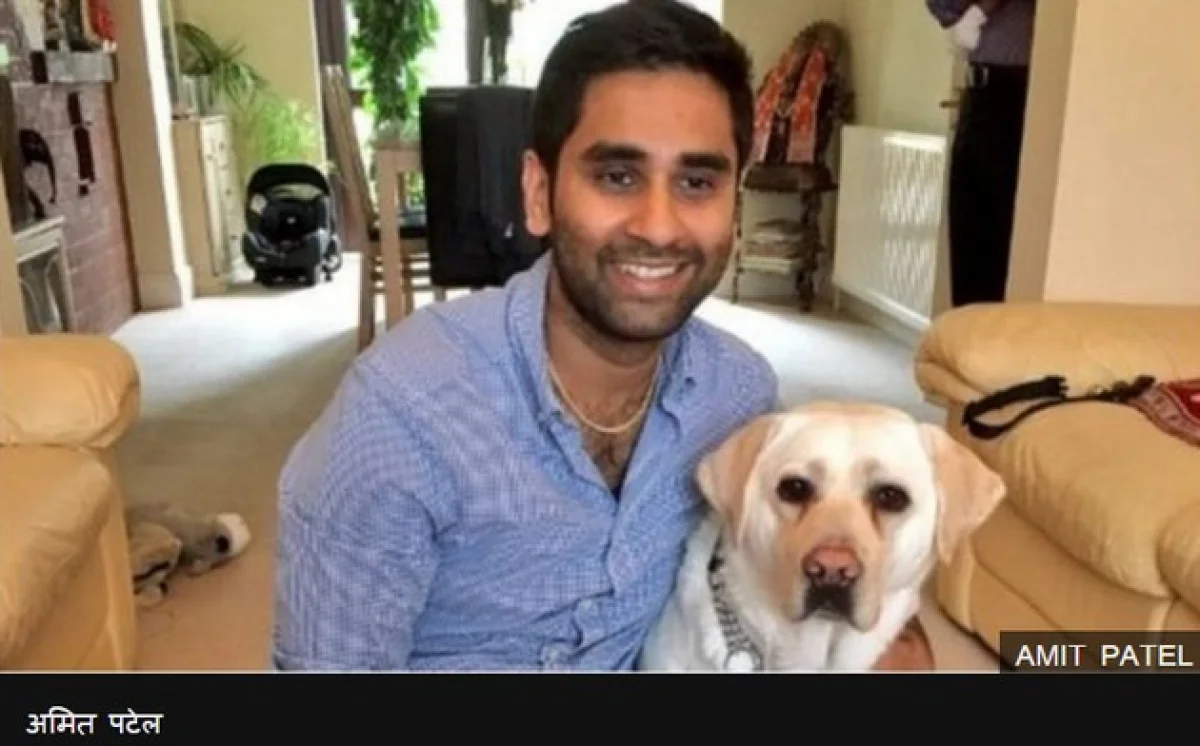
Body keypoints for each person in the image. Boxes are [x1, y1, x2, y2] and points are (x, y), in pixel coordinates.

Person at [273, 0, 932, 671]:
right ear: (539, 192)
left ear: (733, 205)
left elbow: (763, 572)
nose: (658, 226)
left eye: (697, 181)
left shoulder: (739, 395)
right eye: (617, 176)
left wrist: (888, 643)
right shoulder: (398, 417)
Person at [927, 0, 1037, 306]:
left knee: (996, 238)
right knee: (967, 231)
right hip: (979, 91)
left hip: (1014, 91)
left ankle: (992, 331)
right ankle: (968, 328)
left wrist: (979, 12)